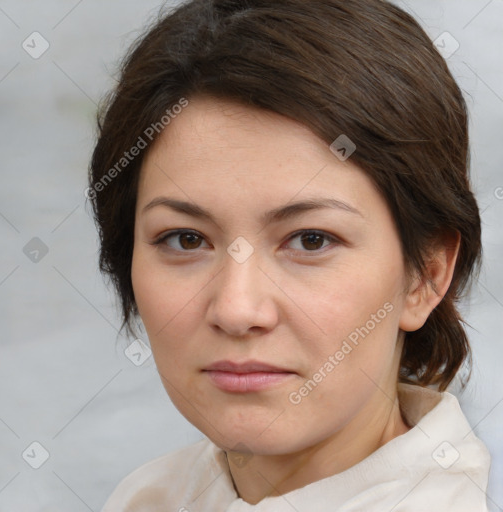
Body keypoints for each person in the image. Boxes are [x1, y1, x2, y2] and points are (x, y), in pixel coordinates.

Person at [88, 0, 491, 510]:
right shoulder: (147, 498)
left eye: (310, 240)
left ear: (426, 275)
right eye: (186, 239)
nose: (237, 309)